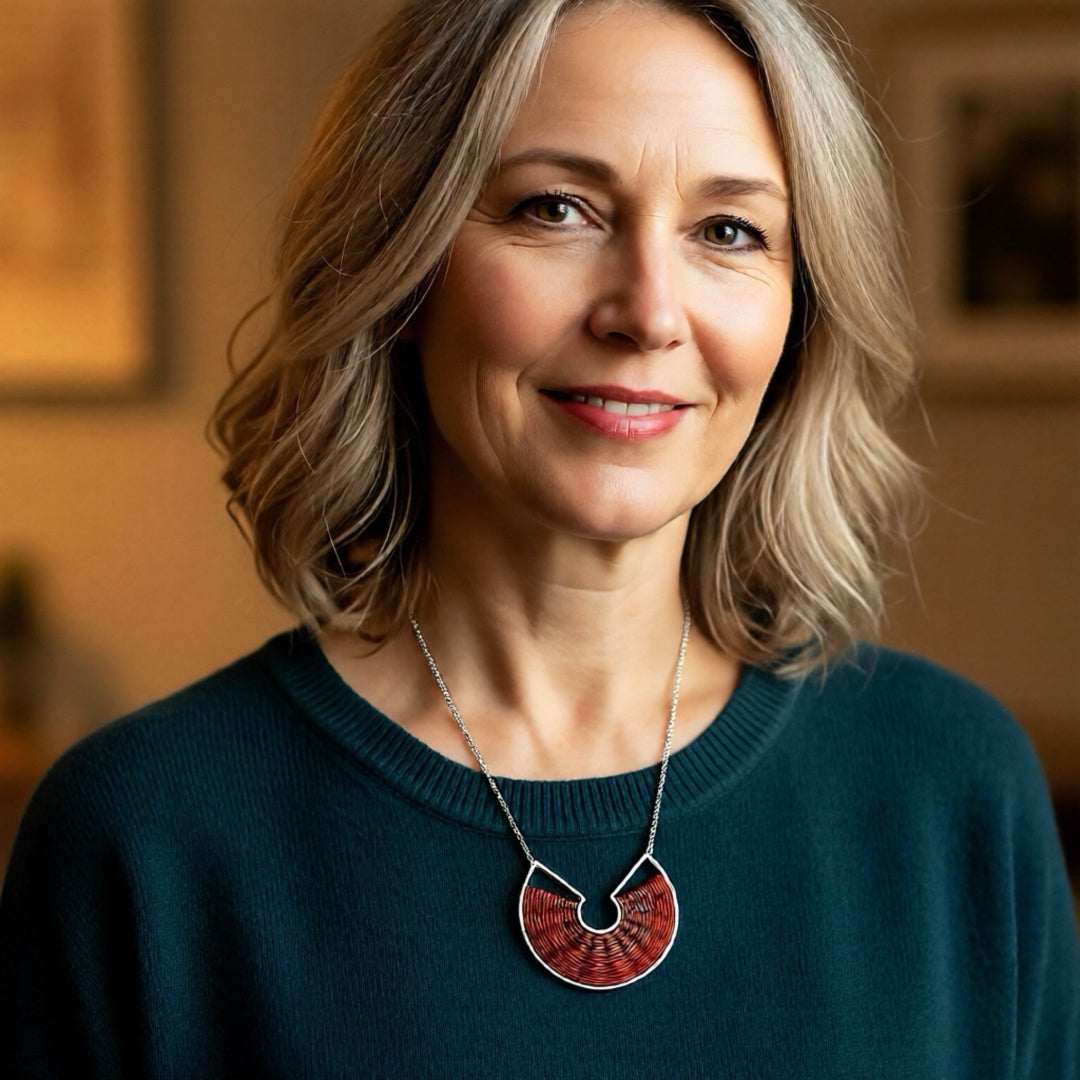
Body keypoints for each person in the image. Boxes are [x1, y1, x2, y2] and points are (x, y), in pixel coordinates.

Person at [1, 0, 1077, 1074]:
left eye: (729, 231)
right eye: (557, 208)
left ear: (799, 312)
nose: (649, 312)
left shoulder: (951, 785)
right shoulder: (144, 836)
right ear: (405, 264)